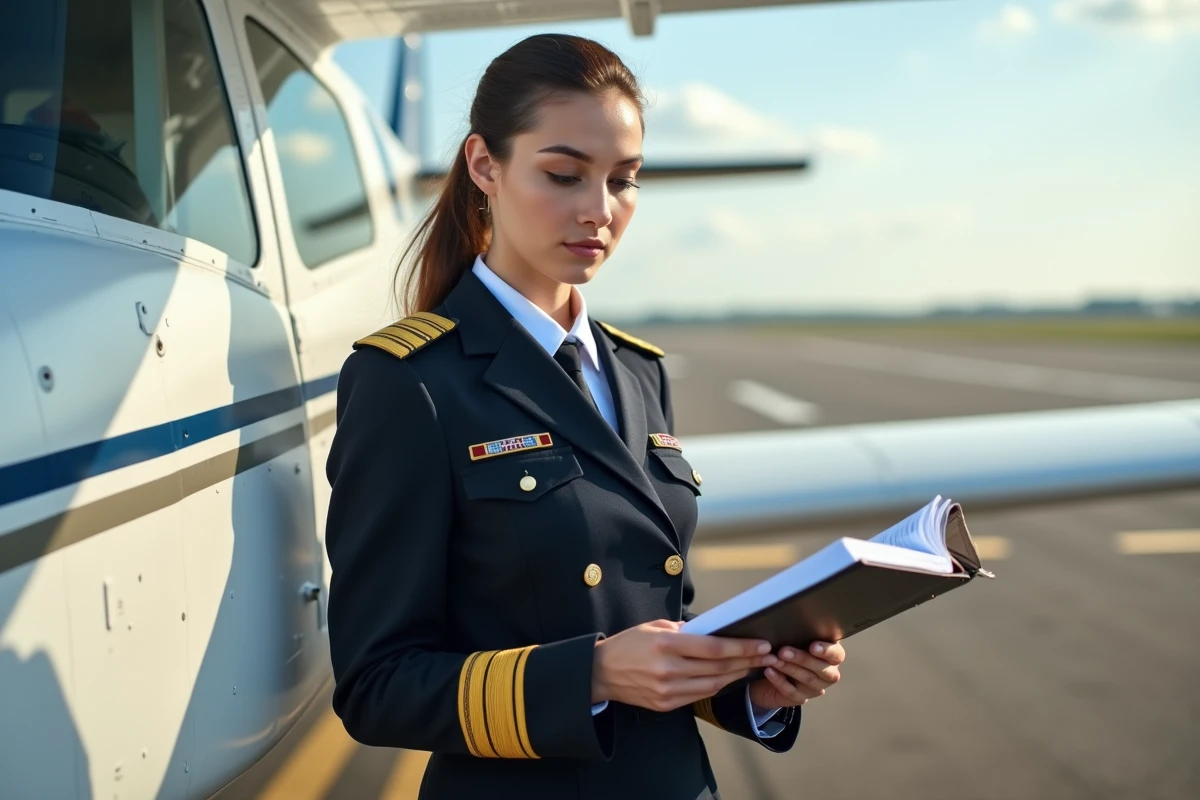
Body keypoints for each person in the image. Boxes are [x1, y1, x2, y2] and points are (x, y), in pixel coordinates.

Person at [324, 32, 847, 799]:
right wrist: (594, 672)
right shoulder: (411, 383)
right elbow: (377, 684)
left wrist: (754, 685)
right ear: (483, 166)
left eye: (624, 180)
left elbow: (660, 623)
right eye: (565, 175)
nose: (599, 212)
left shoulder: (638, 372)